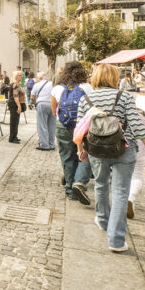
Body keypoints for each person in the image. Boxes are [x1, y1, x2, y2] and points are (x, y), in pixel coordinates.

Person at [75, 64, 145, 253]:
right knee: (120, 192)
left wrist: (80, 149)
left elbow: (80, 128)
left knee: (101, 185)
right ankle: (117, 240)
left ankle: (102, 220)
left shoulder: (86, 98)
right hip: (124, 148)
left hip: (96, 149)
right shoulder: (124, 96)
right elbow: (136, 124)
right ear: (114, 78)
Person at [51, 61, 93, 205]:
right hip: (83, 126)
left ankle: (70, 190)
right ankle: (79, 182)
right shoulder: (87, 87)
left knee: (67, 157)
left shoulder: (57, 88)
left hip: (62, 125)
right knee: (85, 154)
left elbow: (53, 109)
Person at [31, 71, 55, 150]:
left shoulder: (36, 85)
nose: (36, 79)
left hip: (42, 104)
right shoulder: (52, 84)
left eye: (37, 78)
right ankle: (51, 144)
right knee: (51, 125)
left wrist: (35, 103)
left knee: (42, 125)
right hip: (52, 105)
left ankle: (44, 145)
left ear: (40, 78)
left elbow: (32, 97)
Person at [7, 71, 26, 144]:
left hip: (15, 103)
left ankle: (14, 136)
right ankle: (12, 137)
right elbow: (15, 96)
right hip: (14, 104)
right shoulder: (15, 84)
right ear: (15, 76)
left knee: (16, 121)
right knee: (14, 121)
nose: (21, 76)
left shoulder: (18, 84)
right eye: (19, 75)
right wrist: (19, 106)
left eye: (21, 75)